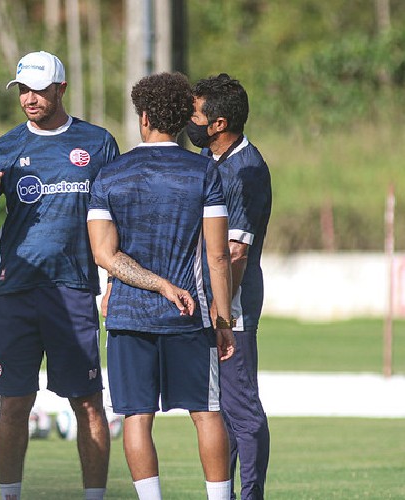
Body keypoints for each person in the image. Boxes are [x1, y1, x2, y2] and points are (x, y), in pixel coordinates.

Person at [0, 50, 120, 500]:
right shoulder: (7, 147)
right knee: (13, 402)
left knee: (87, 402)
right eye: (23, 89)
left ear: (61, 89)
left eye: (38, 89)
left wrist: (114, 283)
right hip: (15, 292)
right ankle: (10, 494)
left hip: (72, 290)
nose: (29, 98)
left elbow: (115, 222)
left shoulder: (99, 143)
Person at [87, 72, 236, 500]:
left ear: (145, 116)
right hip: (190, 317)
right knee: (206, 413)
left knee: (137, 417)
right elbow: (217, 255)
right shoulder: (204, 171)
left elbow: (105, 254)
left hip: (129, 317)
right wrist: (222, 317)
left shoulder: (110, 175)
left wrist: (151, 284)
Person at [187, 73, 272, 500]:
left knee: (242, 409)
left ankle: (251, 495)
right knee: (221, 412)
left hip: (231, 309)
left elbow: (235, 253)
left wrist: (220, 314)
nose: (190, 120)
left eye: (196, 114)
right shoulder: (218, 164)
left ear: (218, 124)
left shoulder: (245, 170)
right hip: (217, 307)